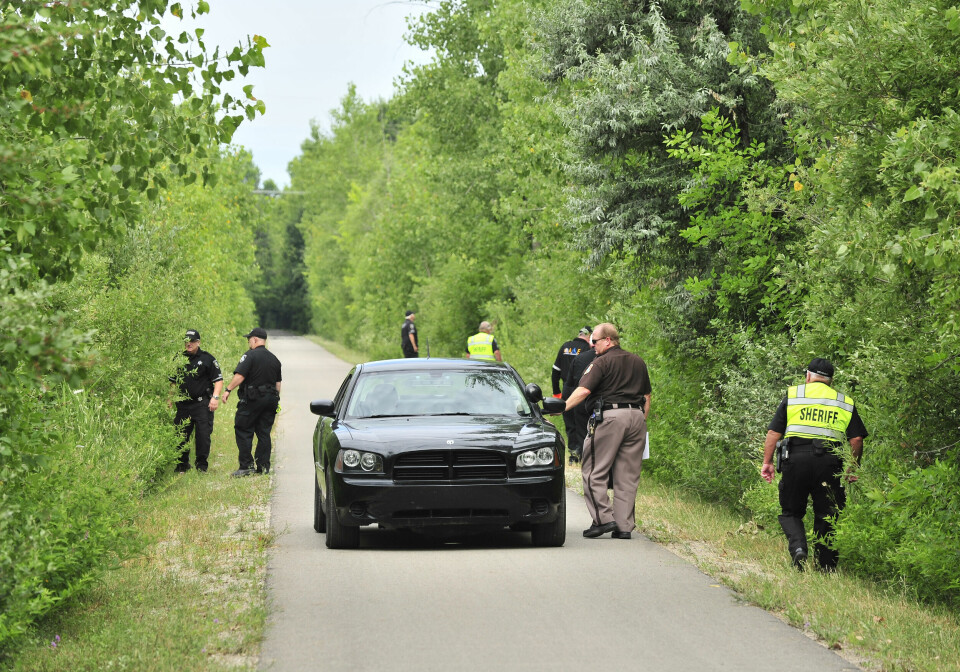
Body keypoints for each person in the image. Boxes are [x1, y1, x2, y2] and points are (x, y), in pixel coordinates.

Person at [761, 358, 867, 571]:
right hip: (829, 463)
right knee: (828, 514)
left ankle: (799, 548)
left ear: (808, 376)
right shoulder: (843, 401)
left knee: (790, 512)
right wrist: (852, 467)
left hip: (795, 459)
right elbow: (856, 439)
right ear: (830, 381)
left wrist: (767, 462)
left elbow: (774, 432)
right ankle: (826, 567)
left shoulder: (794, 395)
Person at [565, 323, 651, 539]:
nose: (592, 347)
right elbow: (647, 396)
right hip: (637, 418)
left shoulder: (601, 362)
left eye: (595, 342)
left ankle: (603, 519)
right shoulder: (637, 361)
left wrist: (562, 408)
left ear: (608, 340)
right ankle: (624, 527)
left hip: (610, 418)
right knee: (627, 476)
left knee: (594, 469)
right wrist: (640, 420)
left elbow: (584, 390)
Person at [222, 328, 282, 477]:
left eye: (249, 339)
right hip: (271, 400)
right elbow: (278, 384)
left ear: (255, 339)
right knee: (264, 432)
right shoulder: (275, 359)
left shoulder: (249, 355)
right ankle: (263, 466)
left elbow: (240, 375)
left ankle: (246, 466)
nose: (248, 342)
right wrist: (274, 399)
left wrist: (228, 389)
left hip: (253, 399)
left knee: (243, 429)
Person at [170, 329, 223, 473]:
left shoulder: (207, 359)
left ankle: (201, 466)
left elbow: (218, 380)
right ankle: (182, 465)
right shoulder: (178, 358)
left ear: (198, 342)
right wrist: (170, 398)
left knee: (203, 436)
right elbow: (173, 382)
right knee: (181, 435)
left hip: (202, 404)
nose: (189, 344)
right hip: (183, 404)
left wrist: (215, 397)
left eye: (192, 341)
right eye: (186, 341)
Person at [550, 326, 592, 463]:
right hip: (582, 389)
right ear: (588, 336)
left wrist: (557, 393)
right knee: (582, 423)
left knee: (570, 423)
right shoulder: (589, 351)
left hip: (567, 389)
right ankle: (582, 452)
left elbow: (555, 371)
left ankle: (573, 453)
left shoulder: (565, 347)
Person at [563, 337, 597, 464]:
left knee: (583, 434)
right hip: (605, 404)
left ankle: (586, 461)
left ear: (590, 342)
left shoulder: (580, 358)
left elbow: (569, 384)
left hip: (582, 402)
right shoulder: (615, 359)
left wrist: (564, 404)